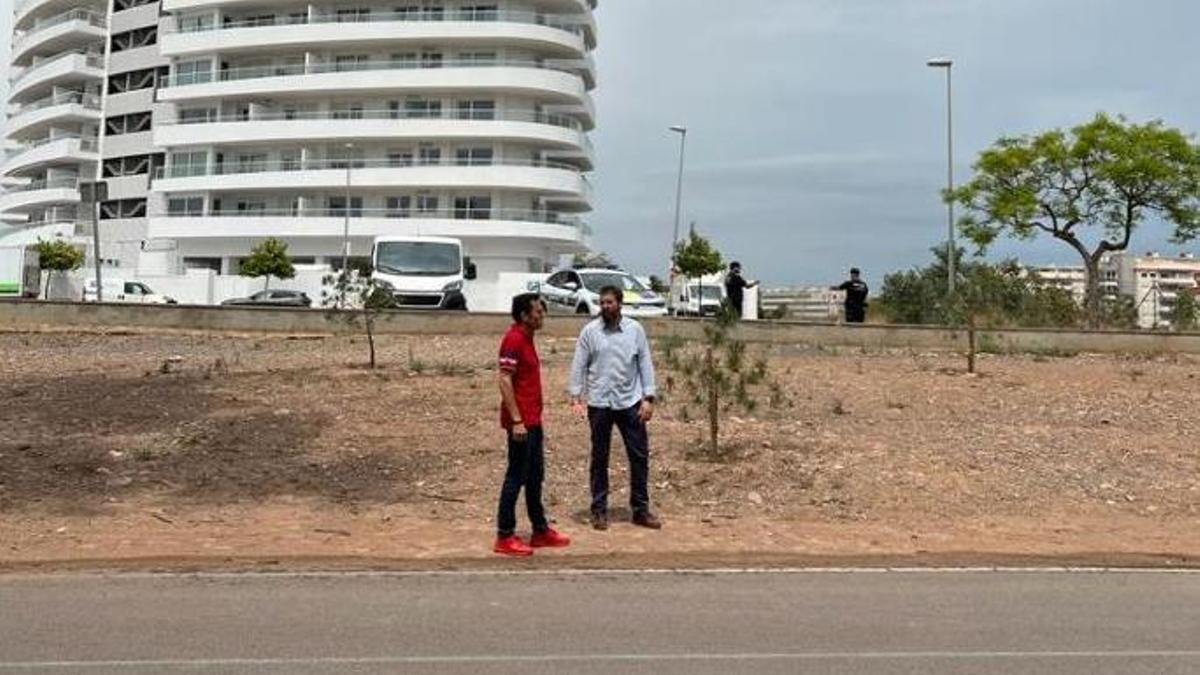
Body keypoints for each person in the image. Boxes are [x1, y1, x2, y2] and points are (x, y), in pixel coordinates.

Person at [569, 286, 663, 531]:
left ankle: (640, 510)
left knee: (639, 456)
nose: (605, 307)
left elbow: (644, 362)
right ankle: (599, 510)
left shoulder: (635, 330)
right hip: (600, 403)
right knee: (600, 458)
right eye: (602, 303)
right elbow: (579, 364)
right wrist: (576, 396)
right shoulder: (590, 332)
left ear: (620, 303)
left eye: (610, 302)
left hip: (629, 402)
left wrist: (648, 397)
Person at [493, 293, 571, 557]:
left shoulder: (527, 338)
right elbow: (504, 380)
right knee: (516, 476)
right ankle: (504, 535)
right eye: (537, 312)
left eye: (542, 311)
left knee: (535, 476)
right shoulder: (514, 339)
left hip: (533, 421)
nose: (542, 316)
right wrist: (516, 421)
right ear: (524, 315)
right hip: (521, 424)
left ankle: (540, 530)